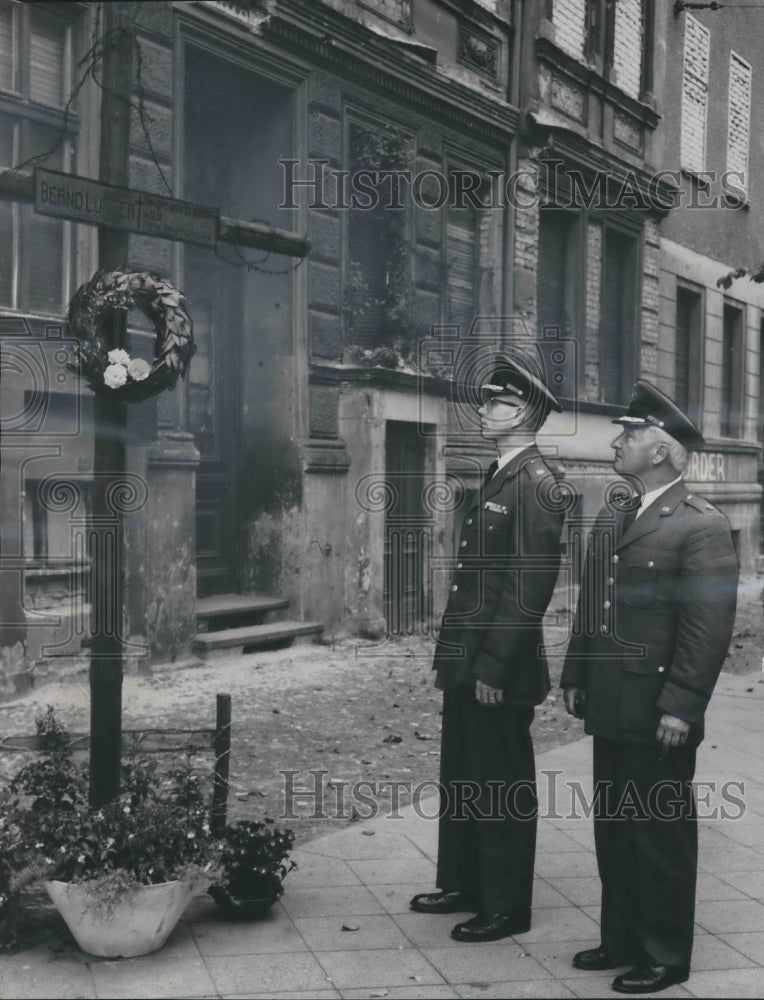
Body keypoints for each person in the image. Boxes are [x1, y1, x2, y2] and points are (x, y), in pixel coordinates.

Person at [561, 380, 739, 994]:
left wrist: (683, 707)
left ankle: (665, 953)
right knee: (613, 827)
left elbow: (707, 629)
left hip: (657, 706)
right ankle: (621, 939)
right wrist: (577, 673)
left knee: (658, 834)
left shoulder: (700, 526)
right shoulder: (618, 511)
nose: (617, 442)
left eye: (629, 435)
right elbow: (595, 603)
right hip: (611, 698)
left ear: (660, 450)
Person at [410, 353, 566, 942]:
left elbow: (527, 591)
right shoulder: (501, 472)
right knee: (464, 776)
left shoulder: (537, 484)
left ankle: (505, 905)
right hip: (468, 660)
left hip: (498, 667)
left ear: (524, 412)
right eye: (488, 400)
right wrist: (453, 656)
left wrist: (494, 666)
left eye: (498, 402)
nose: (485, 409)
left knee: (499, 783)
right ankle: (463, 882)